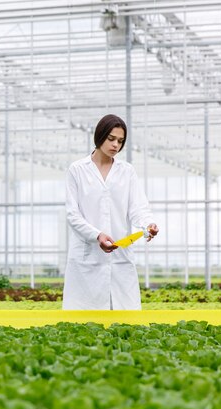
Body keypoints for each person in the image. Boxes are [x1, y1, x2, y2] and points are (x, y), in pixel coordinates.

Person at [63, 114, 159, 310]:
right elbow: (72, 214)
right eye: (111, 139)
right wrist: (96, 235)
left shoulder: (127, 171)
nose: (116, 145)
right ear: (100, 136)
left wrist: (148, 223)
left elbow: (138, 207)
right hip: (87, 256)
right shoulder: (77, 170)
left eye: (121, 141)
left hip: (119, 256)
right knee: (83, 320)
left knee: (125, 317)